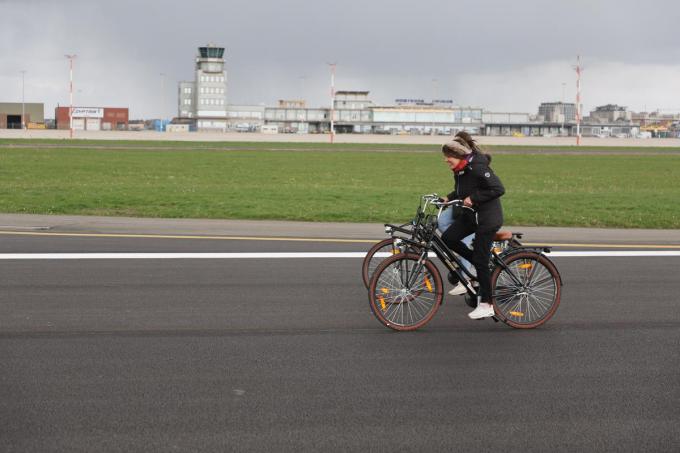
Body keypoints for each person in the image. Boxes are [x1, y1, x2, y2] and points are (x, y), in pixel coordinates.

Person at [440, 132, 505, 319]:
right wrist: (449, 198)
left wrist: (473, 198)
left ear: (459, 156)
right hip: (472, 217)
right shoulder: (460, 170)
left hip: (487, 219)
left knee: (481, 261)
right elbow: (463, 190)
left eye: (448, 157)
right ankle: (473, 267)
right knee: (448, 238)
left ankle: (487, 304)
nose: (446, 160)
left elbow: (498, 189)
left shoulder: (476, 167)